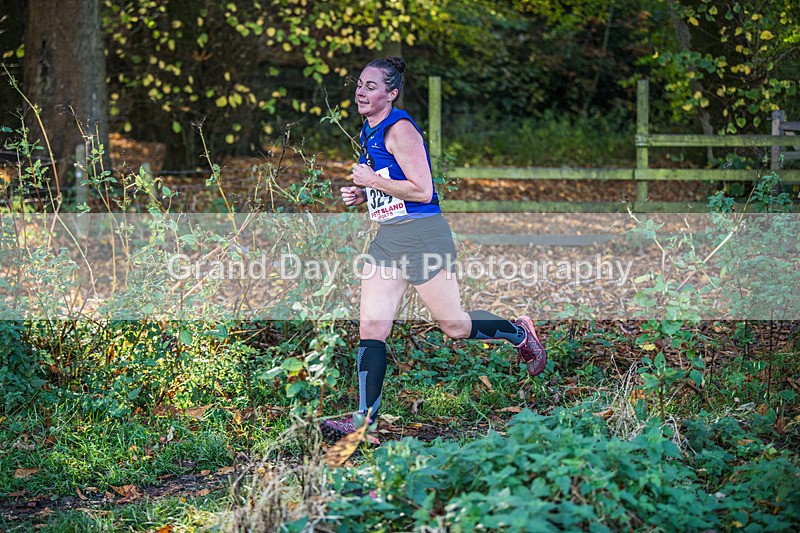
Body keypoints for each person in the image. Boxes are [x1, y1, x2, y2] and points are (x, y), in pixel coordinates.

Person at [320, 57, 546, 443]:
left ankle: (518, 332)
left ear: (391, 94)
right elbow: (392, 183)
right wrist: (364, 192)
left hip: (424, 236)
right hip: (389, 238)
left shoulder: (400, 129)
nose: (361, 91)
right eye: (359, 84)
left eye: (371, 86)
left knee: (455, 326)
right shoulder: (368, 128)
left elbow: (423, 190)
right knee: (372, 326)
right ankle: (365, 421)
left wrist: (372, 179)